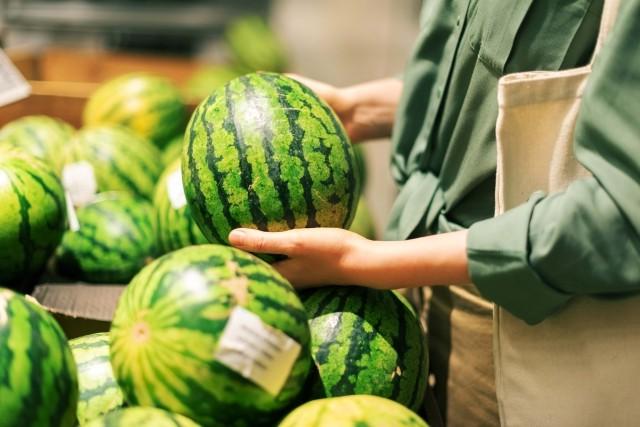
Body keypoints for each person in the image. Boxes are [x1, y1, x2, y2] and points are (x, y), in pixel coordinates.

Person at [230, 0, 640, 425]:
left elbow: (624, 215)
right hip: (423, 289)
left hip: (530, 329)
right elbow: (476, 79)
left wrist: (369, 262)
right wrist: (357, 109)